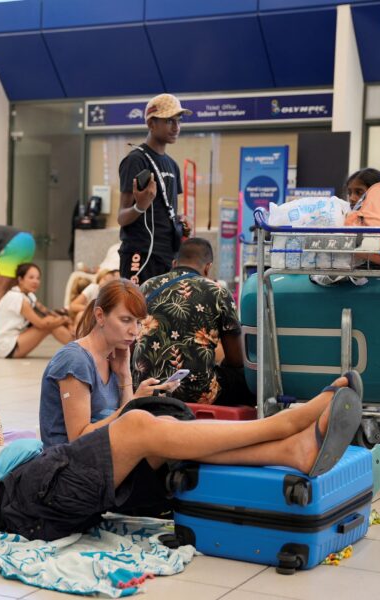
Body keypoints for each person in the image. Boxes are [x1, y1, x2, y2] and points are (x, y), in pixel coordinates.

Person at [0, 372, 363, 540]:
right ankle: (287, 421)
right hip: (24, 500)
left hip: (36, 474)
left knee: (160, 436)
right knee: (138, 428)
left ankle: (291, 448)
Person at [39, 279, 178, 448]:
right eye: (126, 320)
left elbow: (126, 427)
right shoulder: (75, 360)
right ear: (100, 316)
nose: (134, 331)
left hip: (103, 453)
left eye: (138, 322)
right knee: (165, 438)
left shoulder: (114, 357)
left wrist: (124, 374)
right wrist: (135, 402)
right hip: (69, 463)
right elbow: (78, 440)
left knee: (169, 422)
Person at [131, 238, 253, 406]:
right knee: (250, 379)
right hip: (197, 392)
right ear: (208, 267)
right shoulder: (217, 291)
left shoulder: (145, 287)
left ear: (174, 263)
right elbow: (237, 359)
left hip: (144, 388)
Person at [117, 93, 193, 285]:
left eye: (178, 121)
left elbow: (168, 212)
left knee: (162, 314)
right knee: (136, 312)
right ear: (151, 124)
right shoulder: (135, 160)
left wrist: (180, 222)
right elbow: (121, 217)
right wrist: (140, 206)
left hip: (168, 255)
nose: (176, 127)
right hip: (140, 254)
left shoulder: (173, 165)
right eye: (169, 121)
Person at [0, 263, 73, 358]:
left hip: (16, 341)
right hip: (8, 347)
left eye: (38, 278)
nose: (35, 281)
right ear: (20, 280)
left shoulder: (29, 295)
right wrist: (64, 320)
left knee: (52, 320)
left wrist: (68, 322)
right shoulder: (17, 298)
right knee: (50, 324)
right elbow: (41, 324)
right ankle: (81, 349)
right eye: (31, 277)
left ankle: (80, 347)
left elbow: (47, 312)